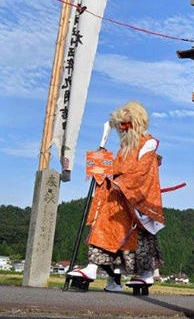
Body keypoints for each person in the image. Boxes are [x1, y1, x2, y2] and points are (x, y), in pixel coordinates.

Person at [67, 102, 165, 292]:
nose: (122, 130)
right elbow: (117, 169)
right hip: (116, 199)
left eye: (125, 125)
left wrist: (118, 179)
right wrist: (101, 165)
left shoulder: (149, 144)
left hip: (135, 200)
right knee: (104, 229)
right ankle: (97, 270)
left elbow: (141, 171)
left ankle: (143, 275)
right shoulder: (124, 148)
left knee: (138, 240)